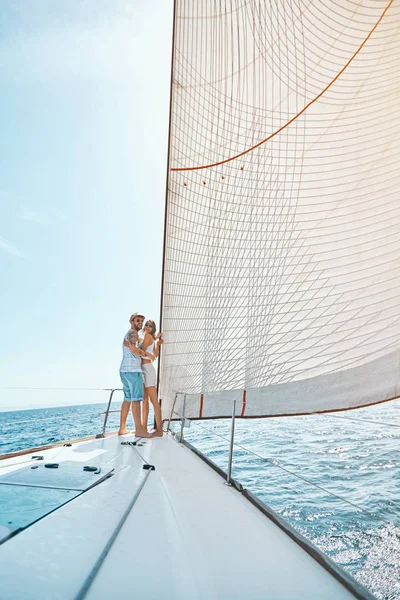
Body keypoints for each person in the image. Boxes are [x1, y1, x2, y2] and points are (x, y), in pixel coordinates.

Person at [118, 312, 153, 437]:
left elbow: (135, 346)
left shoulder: (132, 335)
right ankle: (139, 430)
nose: (140, 323)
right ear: (131, 321)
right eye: (137, 320)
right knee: (137, 399)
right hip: (133, 371)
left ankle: (122, 429)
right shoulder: (132, 333)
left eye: (141, 321)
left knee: (127, 399)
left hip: (124, 371)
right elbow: (135, 350)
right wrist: (148, 355)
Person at [140, 320, 163, 436]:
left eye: (151, 325)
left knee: (153, 400)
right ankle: (143, 427)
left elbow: (141, 351)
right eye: (147, 325)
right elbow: (156, 354)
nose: (148, 327)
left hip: (148, 369)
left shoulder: (148, 336)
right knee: (145, 401)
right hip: (145, 369)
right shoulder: (149, 338)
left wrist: (149, 354)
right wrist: (157, 343)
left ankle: (159, 429)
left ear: (153, 328)